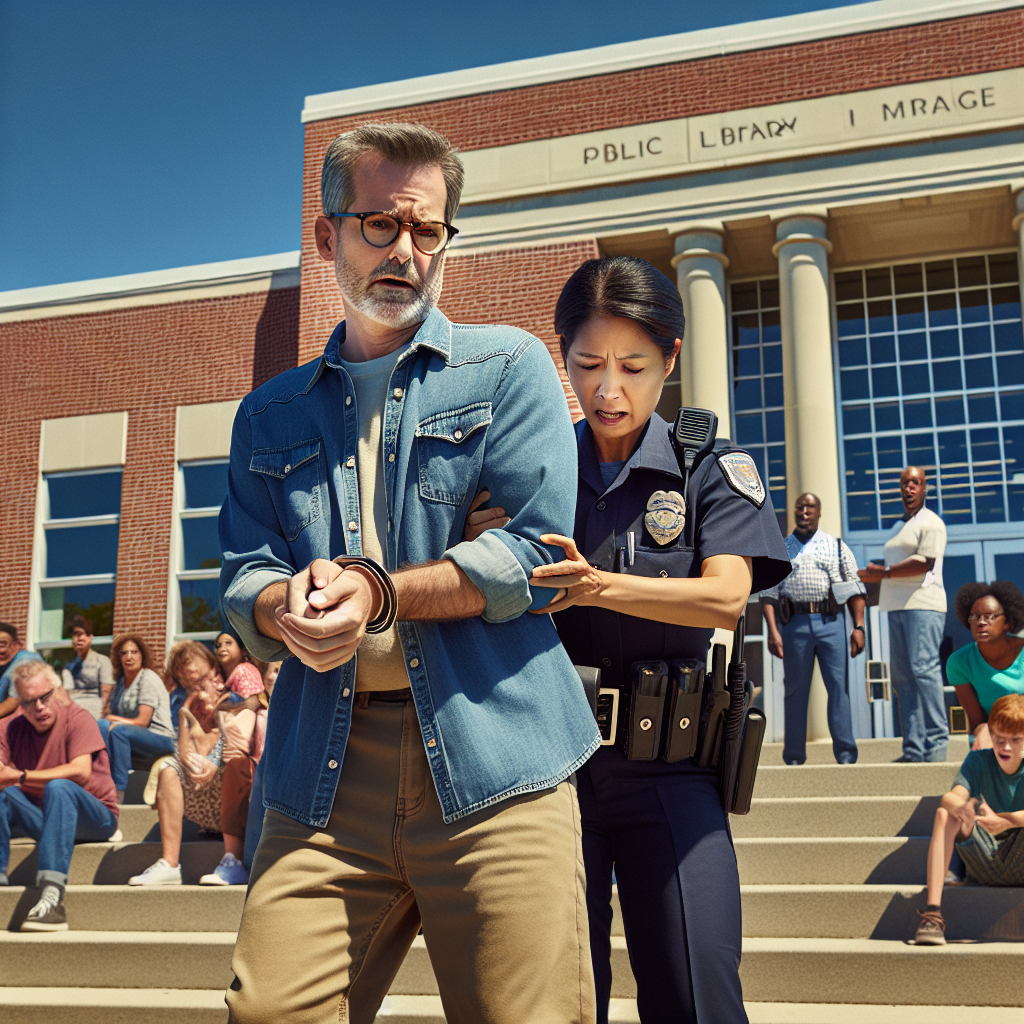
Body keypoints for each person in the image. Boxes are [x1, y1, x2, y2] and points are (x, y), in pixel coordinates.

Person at [219, 122, 597, 1024]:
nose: (407, 251)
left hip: (499, 756)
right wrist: (282, 606)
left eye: (428, 230)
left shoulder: (509, 369)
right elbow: (244, 570)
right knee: (268, 1013)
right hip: (321, 776)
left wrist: (380, 590)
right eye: (382, 224)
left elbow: (534, 554)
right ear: (328, 237)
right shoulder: (267, 416)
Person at [468, 256, 790, 1024]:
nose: (609, 390)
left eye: (634, 367)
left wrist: (597, 586)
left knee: (697, 993)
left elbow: (725, 598)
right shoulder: (524, 470)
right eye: (587, 365)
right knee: (556, 1004)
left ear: (671, 358)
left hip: (669, 768)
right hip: (548, 771)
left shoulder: (708, 466)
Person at [0, 660, 120, 931]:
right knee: (4, 797)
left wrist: (20, 776)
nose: (38, 707)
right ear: (19, 703)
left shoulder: (78, 718)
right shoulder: (12, 727)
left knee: (59, 786)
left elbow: (80, 772)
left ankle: (53, 899)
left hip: (96, 817)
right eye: (28, 702)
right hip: (46, 816)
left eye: (44, 697)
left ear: (58, 692)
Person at [760, 493, 866, 765]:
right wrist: (773, 631)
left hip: (831, 622)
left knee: (838, 688)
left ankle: (846, 755)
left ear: (819, 512)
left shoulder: (837, 546)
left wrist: (859, 627)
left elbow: (855, 588)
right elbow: (769, 595)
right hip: (795, 625)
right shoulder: (782, 548)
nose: (804, 512)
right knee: (795, 690)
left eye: (810, 507)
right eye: (800, 507)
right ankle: (794, 757)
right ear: (794, 512)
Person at [914, 692, 1024, 945]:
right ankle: (932, 914)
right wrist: (967, 808)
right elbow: (950, 797)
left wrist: (1006, 821)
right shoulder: (978, 761)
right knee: (945, 813)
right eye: (999, 738)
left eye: (1015, 739)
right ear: (990, 734)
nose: (1005, 747)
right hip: (986, 858)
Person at [860, 466, 949, 762]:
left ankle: (936, 743)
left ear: (924, 488)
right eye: (904, 483)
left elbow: (924, 563)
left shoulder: (932, 523)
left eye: (915, 483)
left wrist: (883, 572)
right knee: (901, 677)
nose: (909, 488)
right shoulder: (898, 526)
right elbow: (891, 572)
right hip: (895, 606)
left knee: (923, 670)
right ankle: (913, 748)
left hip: (923, 604)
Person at [946, 582, 1024, 750]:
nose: (981, 622)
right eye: (974, 616)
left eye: (990, 616)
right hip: (997, 737)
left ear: (1008, 622)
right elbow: (977, 722)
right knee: (982, 733)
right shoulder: (960, 662)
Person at [98, 635, 174, 801]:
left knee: (117, 731)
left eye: (134, 652)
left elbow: (142, 722)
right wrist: (109, 720)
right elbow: (109, 719)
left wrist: (113, 720)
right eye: (124, 653)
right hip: (129, 734)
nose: (129, 657)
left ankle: (120, 791)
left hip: (160, 736)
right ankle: (101, 782)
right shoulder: (120, 683)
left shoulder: (147, 678)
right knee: (101, 726)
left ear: (142, 656)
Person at [61, 616, 114, 719]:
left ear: (90, 638)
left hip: (95, 711)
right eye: (76, 634)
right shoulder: (69, 666)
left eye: (83, 634)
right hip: (73, 711)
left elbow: (107, 695)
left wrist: (103, 717)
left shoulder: (102, 661)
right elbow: (67, 694)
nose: (79, 639)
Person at [0, 622, 43, 720]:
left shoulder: (26, 660)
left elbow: (15, 699)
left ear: (16, 645)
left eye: (2, 644)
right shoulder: (4, 664)